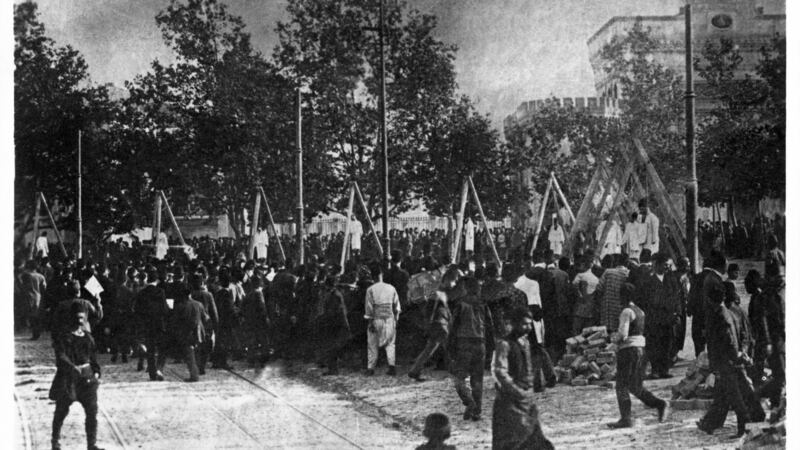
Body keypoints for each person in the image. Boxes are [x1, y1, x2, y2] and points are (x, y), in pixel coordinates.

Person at [696, 251, 751, 438]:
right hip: (724, 353)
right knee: (725, 390)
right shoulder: (721, 310)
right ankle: (712, 422)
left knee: (731, 392)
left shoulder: (720, 313)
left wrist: (733, 354)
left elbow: (726, 336)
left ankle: (743, 424)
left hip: (723, 354)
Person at [491, 306, 554, 450]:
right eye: (524, 324)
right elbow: (500, 372)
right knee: (511, 442)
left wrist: (529, 390)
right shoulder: (504, 344)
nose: (528, 327)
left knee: (535, 440)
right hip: (509, 403)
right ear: (514, 324)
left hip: (527, 401)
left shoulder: (525, 343)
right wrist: (517, 391)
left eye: (530, 324)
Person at [608, 283, 668, 428]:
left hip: (628, 350)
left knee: (621, 385)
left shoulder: (626, 312)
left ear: (621, 296)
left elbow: (623, 334)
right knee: (635, 386)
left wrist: (611, 338)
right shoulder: (640, 311)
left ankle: (626, 418)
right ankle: (659, 404)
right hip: (641, 349)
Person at [49, 303, 105, 450]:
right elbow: (60, 356)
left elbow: (93, 358)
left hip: (87, 380)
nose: (80, 320)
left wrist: (97, 371)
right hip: (69, 379)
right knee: (61, 411)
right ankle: (55, 441)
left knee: (92, 412)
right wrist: (72, 368)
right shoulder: (64, 337)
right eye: (77, 317)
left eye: (82, 317)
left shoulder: (88, 337)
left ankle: (91, 444)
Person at [449, 276, 494, 421]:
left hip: (464, 343)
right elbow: (490, 326)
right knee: (477, 379)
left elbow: (453, 326)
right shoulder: (484, 304)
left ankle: (469, 402)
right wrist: (490, 348)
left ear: (466, 288)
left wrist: (451, 347)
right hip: (480, 343)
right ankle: (477, 412)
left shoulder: (460, 303)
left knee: (458, 378)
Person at [408, 267, 457, 382]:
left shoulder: (438, 291)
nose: (453, 284)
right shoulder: (437, 292)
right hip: (439, 324)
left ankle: (415, 370)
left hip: (439, 323)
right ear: (447, 280)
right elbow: (431, 309)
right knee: (445, 346)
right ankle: (455, 369)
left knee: (432, 348)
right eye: (453, 280)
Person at [638, 253, 681, 379]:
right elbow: (642, 300)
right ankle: (655, 370)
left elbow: (677, 298)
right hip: (653, 318)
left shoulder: (671, 279)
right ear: (656, 264)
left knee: (667, 343)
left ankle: (665, 369)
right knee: (654, 344)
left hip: (668, 318)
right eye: (665, 265)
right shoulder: (647, 280)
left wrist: (677, 313)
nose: (667, 268)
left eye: (668, 265)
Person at [133, 266, 169, 381]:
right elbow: (164, 309)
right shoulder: (160, 292)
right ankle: (159, 368)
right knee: (162, 348)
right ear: (156, 280)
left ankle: (152, 373)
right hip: (159, 324)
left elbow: (137, 310)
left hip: (147, 325)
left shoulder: (141, 293)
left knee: (151, 350)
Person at [364, 263, 401, 376]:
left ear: (372, 276)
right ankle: (392, 366)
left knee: (372, 343)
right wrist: (396, 321)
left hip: (376, 318)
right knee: (390, 343)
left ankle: (370, 368)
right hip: (390, 318)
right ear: (382, 275)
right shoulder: (391, 288)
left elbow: (369, 308)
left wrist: (370, 322)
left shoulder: (370, 289)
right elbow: (397, 307)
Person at [171, 282, 209, 382]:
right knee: (198, 352)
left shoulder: (180, 306)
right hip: (199, 331)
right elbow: (206, 318)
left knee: (189, 355)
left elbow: (175, 321)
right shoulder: (198, 304)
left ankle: (194, 375)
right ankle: (200, 369)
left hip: (186, 332)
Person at [320, 272, 351, 375]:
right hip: (336, 322)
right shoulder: (335, 293)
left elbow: (336, 311)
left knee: (332, 346)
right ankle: (333, 368)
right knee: (333, 346)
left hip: (336, 323)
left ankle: (333, 369)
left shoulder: (334, 295)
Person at [594, 254, 630, 331]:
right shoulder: (628, 274)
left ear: (616, 262)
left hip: (607, 311)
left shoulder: (608, 272)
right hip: (622, 311)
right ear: (627, 263)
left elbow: (599, 288)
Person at [20, 259, 47, 340]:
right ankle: (37, 332)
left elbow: (22, 285)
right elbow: (44, 288)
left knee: (31, 316)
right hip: (38, 297)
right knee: (37, 315)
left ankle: (35, 333)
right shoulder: (41, 276)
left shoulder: (25, 275)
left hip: (28, 296)